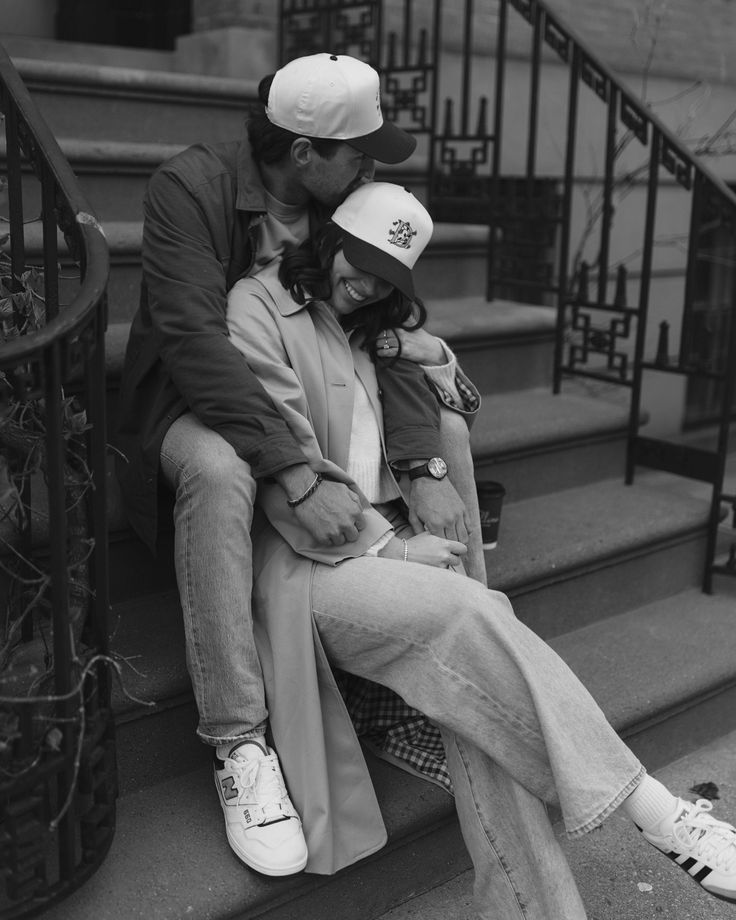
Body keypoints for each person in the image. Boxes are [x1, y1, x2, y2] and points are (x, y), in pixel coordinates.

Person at [226, 182, 736, 917]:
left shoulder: (370, 325)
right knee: (470, 623)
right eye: (359, 261)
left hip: (399, 542)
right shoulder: (258, 308)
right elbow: (284, 463)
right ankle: (658, 815)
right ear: (329, 238)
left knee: (479, 703)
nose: (366, 283)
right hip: (312, 560)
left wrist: (422, 354)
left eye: (386, 275)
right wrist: (393, 553)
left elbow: (458, 399)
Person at [115, 52, 483, 877]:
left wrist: (421, 460)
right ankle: (240, 744)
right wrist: (292, 466)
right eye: (359, 151)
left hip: (298, 394)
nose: (372, 165)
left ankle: (432, 662)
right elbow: (192, 340)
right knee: (220, 473)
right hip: (186, 406)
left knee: (443, 433)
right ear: (305, 148)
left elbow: (375, 328)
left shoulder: (341, 207)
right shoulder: (192, 187)